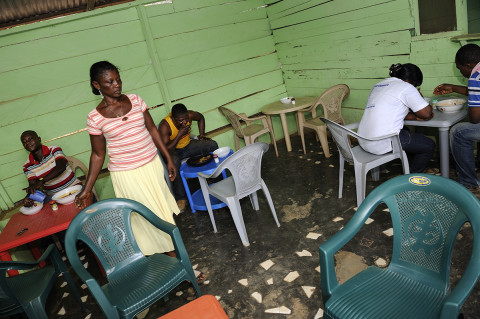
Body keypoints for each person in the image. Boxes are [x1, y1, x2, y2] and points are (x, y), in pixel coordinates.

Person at [74, 61, 180, 258]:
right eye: (110, 82)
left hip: (152, 166)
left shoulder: (136, 100)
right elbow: (98, 154)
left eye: (118, 79)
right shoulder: (94, 118)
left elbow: (152, 130)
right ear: (97, 85)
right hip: (126, 174)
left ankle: (171, 261)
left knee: (163, 213)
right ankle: (178, 263)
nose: (117, 85)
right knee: (147, 218)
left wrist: (168, 158)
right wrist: (86, 189)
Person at [358, 63, 435, 173]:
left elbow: (389, 113)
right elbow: (426, 114)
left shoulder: (379, 85)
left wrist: (414, 117)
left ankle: (409, 167)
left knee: (407, 132)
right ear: (412, 81)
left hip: (364, 140)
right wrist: (420, 98)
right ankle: (412, 178)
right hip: (381, 143)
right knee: (429, 145)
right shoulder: (406, 87)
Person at [434, 43, 480, 192]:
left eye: (460, 68)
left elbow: (475, 118)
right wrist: (453, 87)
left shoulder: (476, 76)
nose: (461, 73)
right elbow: (474, 90)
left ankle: (468, 183)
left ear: (468, 65)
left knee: (458, 131)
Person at [158, 103, 218, 211]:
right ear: (173, 118)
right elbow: (166, 150)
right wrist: (179, 135)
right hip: (173, 151)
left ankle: (213, 178)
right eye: (180, 120)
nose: (184, 122)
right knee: (174, 162)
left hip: (188, 146)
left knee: (212, 144)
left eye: (185, 119)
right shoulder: (165, 125)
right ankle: (181, 198)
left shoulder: (189, 115)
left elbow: (200, 117)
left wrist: (202, 135)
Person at [21, 130, 81, 207]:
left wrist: (42, 181)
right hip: (53, 197)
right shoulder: (27, 166)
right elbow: (33, 185)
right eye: (25, 142)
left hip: (74, 188)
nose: (28, 143)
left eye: (30, 139)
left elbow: (61, 167)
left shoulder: (54, 149)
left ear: (39, 139)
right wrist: (28, 198)